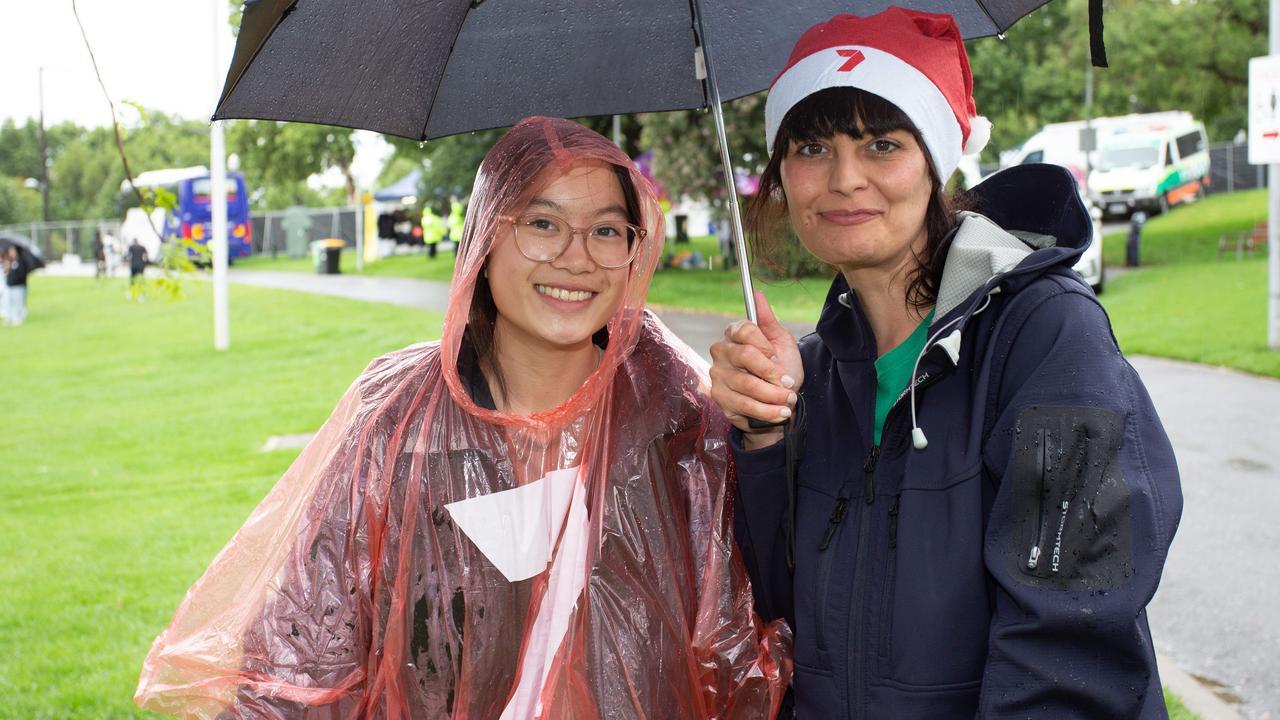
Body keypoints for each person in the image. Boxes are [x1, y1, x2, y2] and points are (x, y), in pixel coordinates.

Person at [136, 116, 791, 718]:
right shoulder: (401, 421)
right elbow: (305, 648)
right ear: (485, 237)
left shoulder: (675, 415)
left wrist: (766, 432)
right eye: (541, 223)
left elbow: (741, 637)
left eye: (605, 230)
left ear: (633, 249)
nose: (576, 256)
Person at [708, 9, 1182, 718]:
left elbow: (1076, 642)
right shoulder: (816, 373)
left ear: (937, 161)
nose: (843, 179)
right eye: (810, 147)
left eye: (881, 144)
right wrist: (765, 435)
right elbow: (776, 609)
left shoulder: (1049, 337)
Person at [4, 246, 28, 326]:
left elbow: (21, 274)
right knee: (8, 302)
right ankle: (9, 318)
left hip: (18, 286)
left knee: (18, 303)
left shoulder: (20, 262)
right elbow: (6, 275)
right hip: (10, 286)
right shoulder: (8, 262)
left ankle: (19, 319)